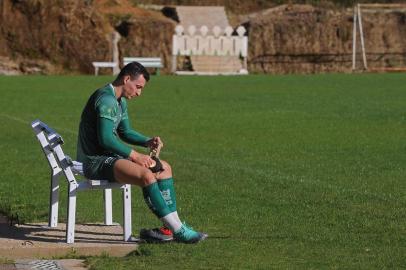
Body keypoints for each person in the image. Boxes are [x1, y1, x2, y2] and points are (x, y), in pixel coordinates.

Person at [76, 62, 207, 244]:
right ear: (126, 78)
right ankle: (179, 231)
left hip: (110, 158)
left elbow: (125, 132)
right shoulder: (106, 100)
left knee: (164, 168)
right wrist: (135, 156)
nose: (138, 93)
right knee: (146, 176)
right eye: (138, 87)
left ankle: (168, 228)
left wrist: (147, 141)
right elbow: (105, 139)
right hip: (95, 161)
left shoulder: (119, 101)